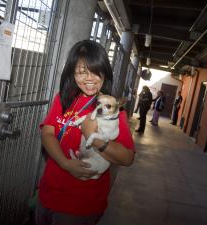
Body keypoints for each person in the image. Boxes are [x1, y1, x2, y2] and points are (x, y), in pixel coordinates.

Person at [36, 40, 135, 225]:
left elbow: (128, 158)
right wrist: (66, 164)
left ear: (105, 72)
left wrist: (93, 138)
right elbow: (47, 134)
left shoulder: (113, 110)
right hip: (47, 194)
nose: (89, 78)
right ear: (72, 73)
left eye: (95, 72)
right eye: (82, 72)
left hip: (81, 206)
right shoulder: (64, 99)